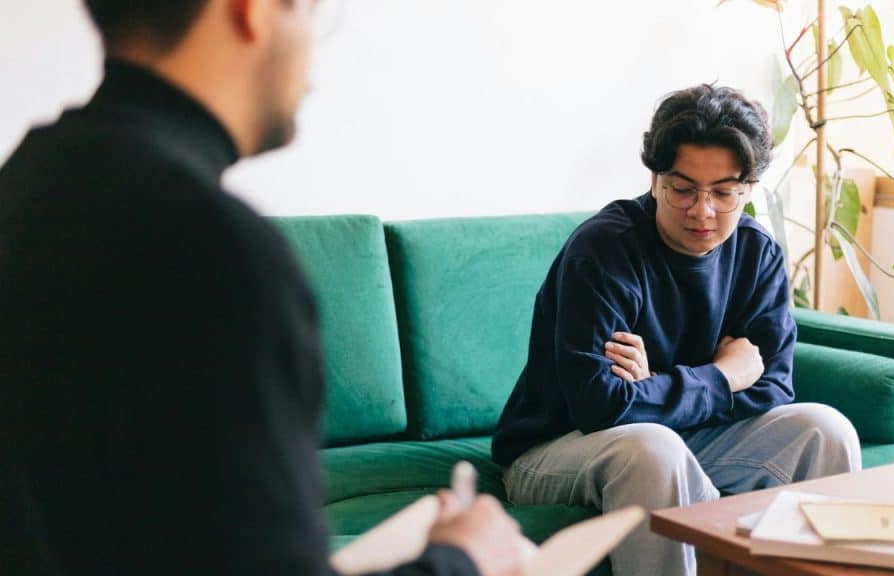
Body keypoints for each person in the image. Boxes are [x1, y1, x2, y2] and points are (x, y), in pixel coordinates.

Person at [0, 1, 523, 575]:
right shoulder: (217, 254)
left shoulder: (26, 185)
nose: (314, 49)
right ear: (251, 12)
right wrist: (461, 559)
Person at [491, 84, 862, 576]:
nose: (702, 211)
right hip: (556, 447)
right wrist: (724, 375)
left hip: (684, 436)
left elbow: (774, 386)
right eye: (683, 189)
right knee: (652, 448)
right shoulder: (604, 251)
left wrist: (655, 387)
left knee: (825, 430)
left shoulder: (757, 254)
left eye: (724, 193)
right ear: (655, 178)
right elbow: (601, 407)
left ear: (749, 188)